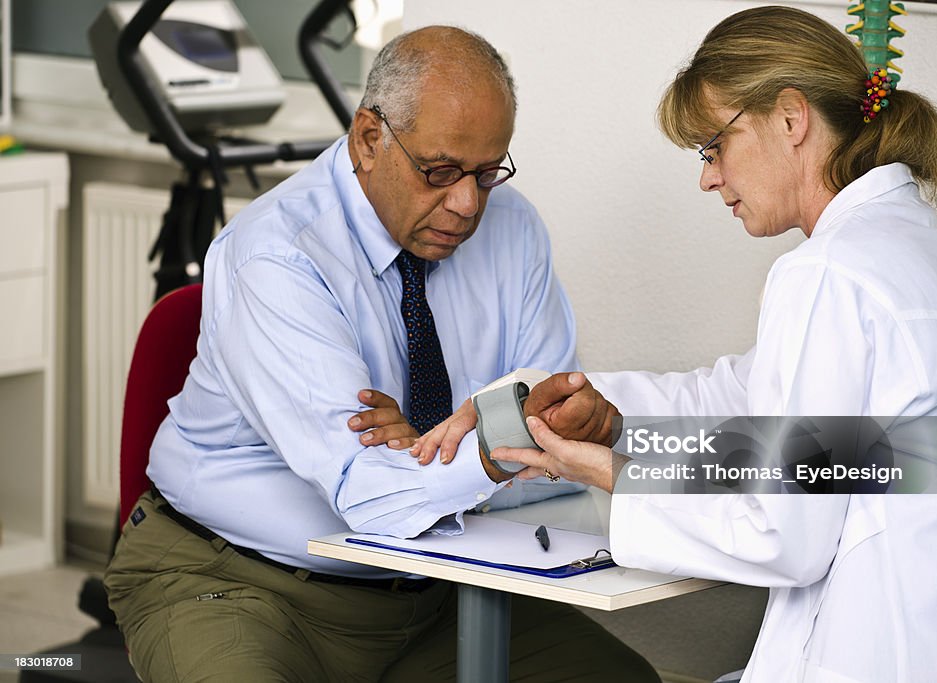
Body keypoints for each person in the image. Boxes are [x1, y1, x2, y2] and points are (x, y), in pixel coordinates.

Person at [416, 7, 937, 683]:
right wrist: (610, 417)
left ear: (791, 119)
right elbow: (766, 416)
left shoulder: (829, 273)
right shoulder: (919, 254)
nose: (708, 177)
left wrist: (605, 470)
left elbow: (784, 534)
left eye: (713, 147)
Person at [104, 26, 657, 683]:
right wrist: (483, 444)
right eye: (440, 171)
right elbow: (367, 495)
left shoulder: (514, 230)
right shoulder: (277, 254)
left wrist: (429, 443)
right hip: (239, 578)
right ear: (369, 137)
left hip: (439, 589)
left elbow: (549, 455)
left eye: (487, 173)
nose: (467, 204)